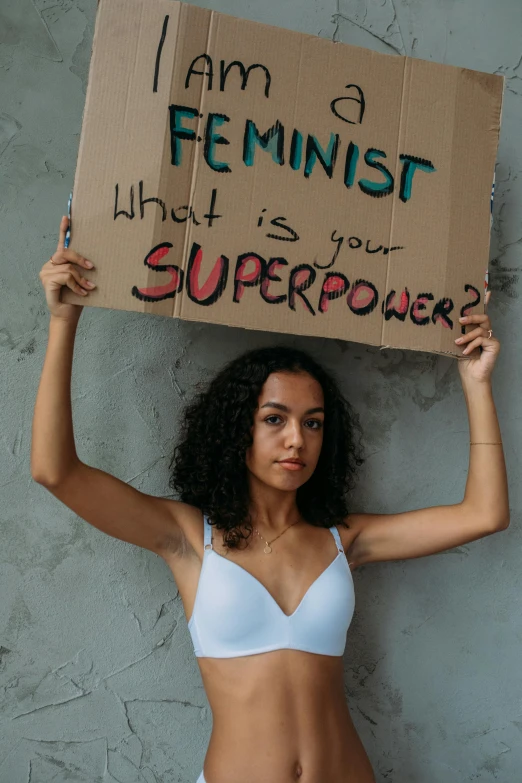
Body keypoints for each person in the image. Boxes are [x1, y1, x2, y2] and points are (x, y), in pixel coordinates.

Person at [32, 215, 510, 783]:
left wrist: (476, 384)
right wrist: (64, 321)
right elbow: (55, 471)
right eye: (274, 419)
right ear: (238, 431)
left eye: (313, 423)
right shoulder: (188, 538)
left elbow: (486, 513)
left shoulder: (344, 539)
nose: (296, 439)